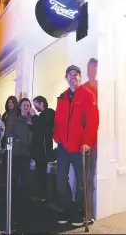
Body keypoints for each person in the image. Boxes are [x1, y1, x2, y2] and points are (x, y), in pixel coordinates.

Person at [53, 65, 99, 227]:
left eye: (76, 74)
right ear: (66, 78)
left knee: (81, 182)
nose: (73, 77)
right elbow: (58, 120)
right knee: (60, 180)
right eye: (70, 74)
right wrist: (56, 136)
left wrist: (87, 141)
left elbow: (93, 121)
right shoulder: (62, 97)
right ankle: (69, 208)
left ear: (80, 77)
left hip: (80, 146)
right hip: (63, 147)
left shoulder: (87, 94)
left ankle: (80, 213)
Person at [9, 97, 34, 224]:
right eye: (24, 105)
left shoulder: (31, 120)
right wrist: (16, 141)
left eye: (28, 105)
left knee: (25, 175)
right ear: (20, 106)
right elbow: (9, 133)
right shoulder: (15, 119)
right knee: (15, 174)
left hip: (27, 153)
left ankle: (23, 198)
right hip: (17, 152)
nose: (26, 107)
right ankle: (12, 198)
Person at [30, 95, 55, 202]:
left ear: (41, 103)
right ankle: (41, 194)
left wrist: (34, 116)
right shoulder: (42, 115)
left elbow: (42, 128)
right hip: (40, 149)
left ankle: (44, 196)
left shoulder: (49, 112)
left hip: (44, 149)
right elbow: (37, 130)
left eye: (36, 105)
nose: (35, 108)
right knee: (40, 172)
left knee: (42, 173)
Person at [82, 58, 98, 223]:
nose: (90, 71)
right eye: (89, 68)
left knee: (90, 176)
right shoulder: (85, 88)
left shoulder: (101, 87)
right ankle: (86, 212)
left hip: (97, 139)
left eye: (93, 68)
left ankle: (89, 212)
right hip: (86, 139)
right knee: (85, 177)